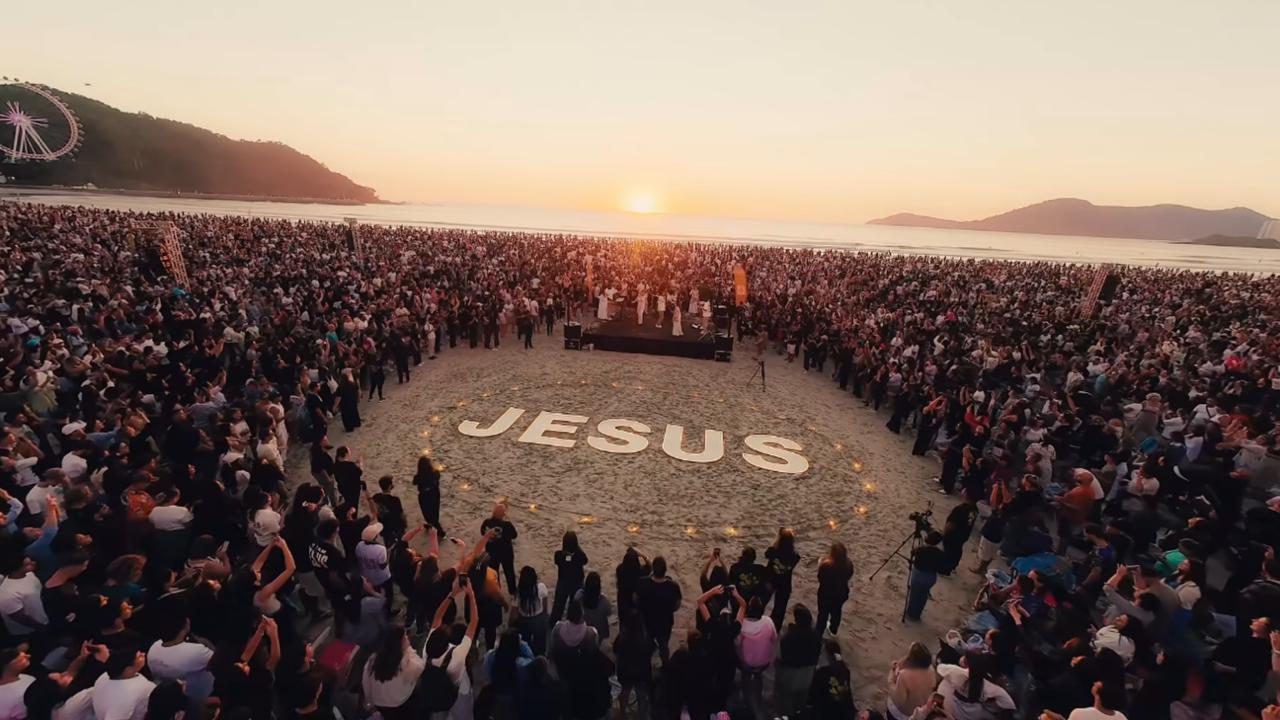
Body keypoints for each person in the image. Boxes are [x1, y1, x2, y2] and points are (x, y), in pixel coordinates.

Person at [362, 624, 426, 719]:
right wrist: (407, 649)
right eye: (404, 637)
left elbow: (366, 684)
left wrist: (371, 701)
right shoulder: (407, 664)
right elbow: (421, 666)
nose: (407, 637)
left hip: (380, 704)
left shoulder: (372, 660)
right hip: (401, 703)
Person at [776, 604, 822, 716]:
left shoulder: (788, 637)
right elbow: (817, 654)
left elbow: (782, 656)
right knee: (800, 702)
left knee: (785, 704)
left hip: (790, 675)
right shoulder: (816, 636)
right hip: (807, 674)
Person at [636, 555, 682, 665]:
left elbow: (636, 600)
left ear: (653, 569)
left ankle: (645, 666)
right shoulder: (673, 586)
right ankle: (665, 667)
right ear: (665, 570)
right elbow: (677, 605)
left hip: (648, 621)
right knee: (664, 646)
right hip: (665, 623)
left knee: (647, 644)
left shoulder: (643, 583)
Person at [613, 610, 656, 720]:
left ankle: (623, 713)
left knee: (625, 692)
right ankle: (642, 716)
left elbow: (615, 651)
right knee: (642, 696)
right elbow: (652, 650)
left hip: (626, 671)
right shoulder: (646, 639)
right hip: (642, 672)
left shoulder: (622, 637)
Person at [807, 640, 856, 720]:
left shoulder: (821, 673)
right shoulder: (845, 670)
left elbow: (812, 698)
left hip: (826, 714)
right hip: (845, 713)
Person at [888, 643, 937, 720]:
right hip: (922, 709)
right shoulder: (931, 669)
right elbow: (933, 685)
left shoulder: (904, 675)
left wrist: (891, 678)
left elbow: (899, 700)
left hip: (906, 714)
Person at [480, 504, 519, 598]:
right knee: (509, 572)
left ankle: (496, 590)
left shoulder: (486, 523)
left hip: (492, 553)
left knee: (494, 573)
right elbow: (514, 535)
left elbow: (482, 532)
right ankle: (512, 591)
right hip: (506, 553)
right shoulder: (507, 525)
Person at [816, 542, 854, 636]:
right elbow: (849, 575)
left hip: (826, 594)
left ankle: (819, 632)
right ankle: (833, 629)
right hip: (841, 593)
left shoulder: (827, 566)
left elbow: (820, 578)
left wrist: (820, 563)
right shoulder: (848, 564)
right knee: (836, 611)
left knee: (823, 614)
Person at [550, 531, 588, 624]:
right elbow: (585, 560)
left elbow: (559, 561)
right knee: (575, 604)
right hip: (577, 583)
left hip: (563, 582)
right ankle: (572, 622)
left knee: (558, 604)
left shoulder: (559, 555)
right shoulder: (579, 555)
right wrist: (576, 548)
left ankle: (553, 623)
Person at [766, 527, 801, 627]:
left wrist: (775, 543)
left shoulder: (773, 551)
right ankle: (775, 626)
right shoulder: (795, 556)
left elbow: (767, 554)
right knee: (780, 607)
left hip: (771, 579)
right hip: (784, 582)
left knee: (763, 600)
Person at [906, 532, 945, 621]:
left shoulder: (920, 550)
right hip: (931, 577)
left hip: (919, 575)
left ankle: (912, 615)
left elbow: (912, 553)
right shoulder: (940, 553)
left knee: (914, 596)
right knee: (922, 595)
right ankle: (918, 613)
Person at [575, 571, 612, 643]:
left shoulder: (579, 596)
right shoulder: (603, 601)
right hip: (599, 630)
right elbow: (609, 611)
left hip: (583, 628)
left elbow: (575, 605)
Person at [414, 455, 444, 535]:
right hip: (434, 495)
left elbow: (414, 482)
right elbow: (438, 477)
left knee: (427, 512)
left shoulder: (419, 476)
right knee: (434, 512)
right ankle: (436, 527)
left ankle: (434, 526)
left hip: (424, 496)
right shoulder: (434, 473)